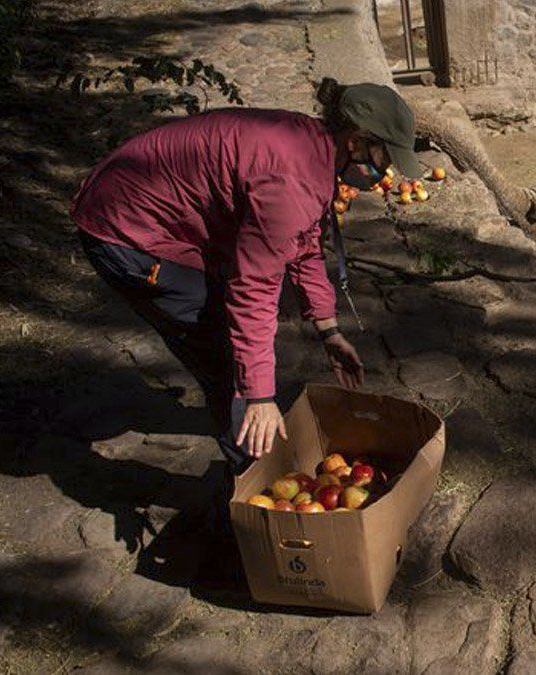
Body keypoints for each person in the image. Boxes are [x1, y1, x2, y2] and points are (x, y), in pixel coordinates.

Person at [71, 79, 424, 478]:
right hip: (125, 228)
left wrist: (328, 330)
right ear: (356, 141)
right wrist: (258, 394)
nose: (386, 170)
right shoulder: (292, 179)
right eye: (384, 155)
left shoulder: (311, 147)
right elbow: (252, 286)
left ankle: (252, 435)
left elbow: (303, 244)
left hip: (148, 209)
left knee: (231, 340)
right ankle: (256, 479)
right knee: (221, 348)